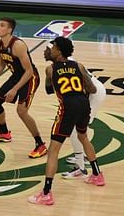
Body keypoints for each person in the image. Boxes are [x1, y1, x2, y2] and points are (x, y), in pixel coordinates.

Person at [28, 37, 105, 205]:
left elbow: (49, 90)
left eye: (53, 47)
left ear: (59, 51)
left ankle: (46, 193)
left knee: (54, 149)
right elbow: (91, 89)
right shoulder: (79, 66)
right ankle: (98, 175)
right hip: (84, 104)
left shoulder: (50, 69)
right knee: (83, 137)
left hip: (67, 107)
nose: (51, 49)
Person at [0, 17, 47, 158]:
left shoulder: (18, 45)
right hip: (16, 76)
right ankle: (4, 133)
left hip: (30, 78)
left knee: (21, 111)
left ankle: (40, 144)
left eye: (2, 26)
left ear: (10, 30)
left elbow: (29, 71)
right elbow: (0, 66)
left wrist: (14, 89)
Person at [43, 42, 106, 179]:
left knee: (74, 132)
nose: (45, 52)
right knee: (81, 134)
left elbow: (92, 89)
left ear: (58, 51)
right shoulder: (73, 64)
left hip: (92, 94)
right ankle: (92, 169)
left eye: (49, 49)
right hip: (83, 98)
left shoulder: (53, 68)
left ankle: (80, 167)